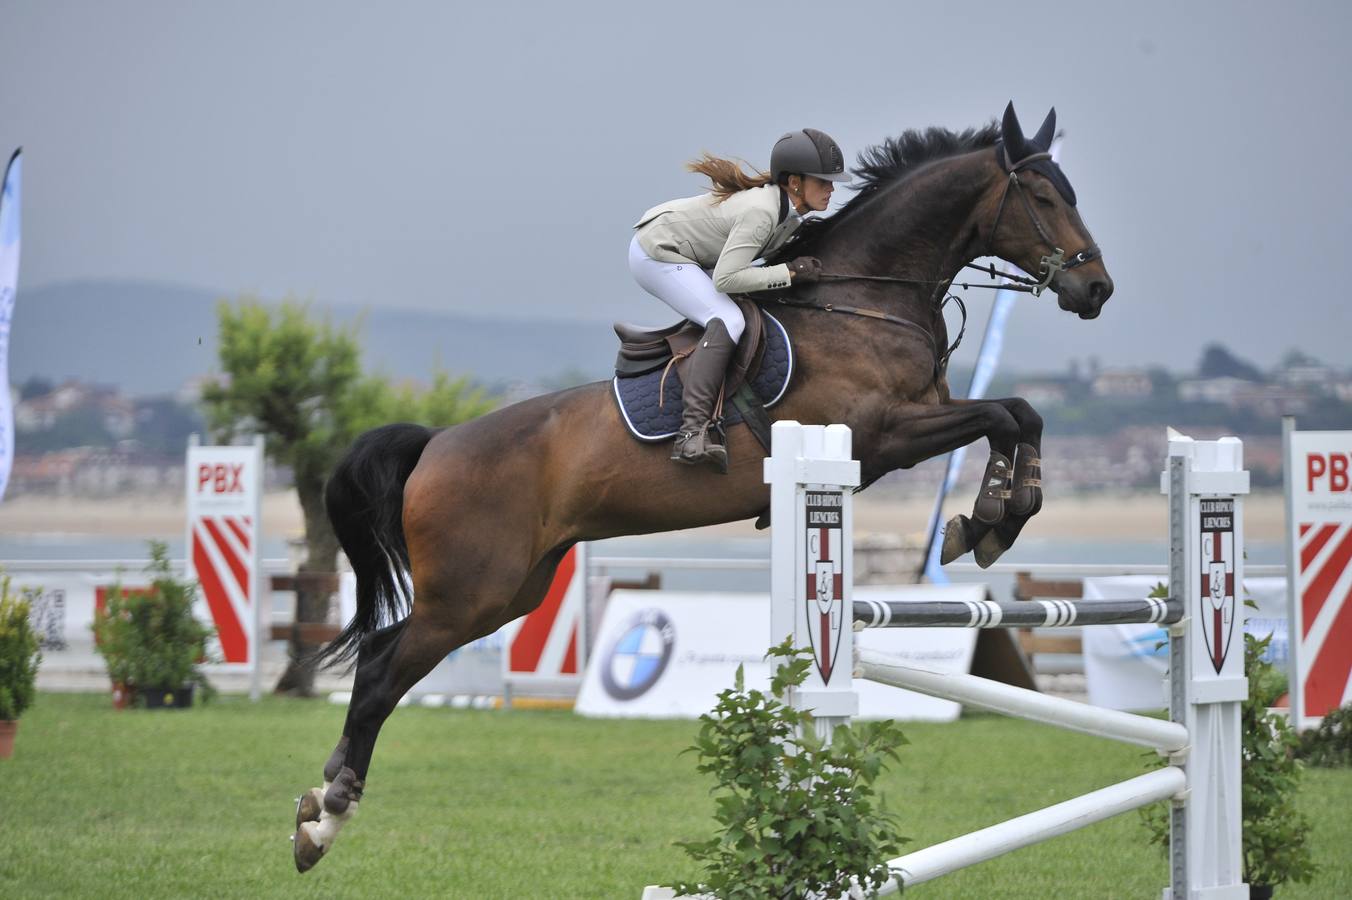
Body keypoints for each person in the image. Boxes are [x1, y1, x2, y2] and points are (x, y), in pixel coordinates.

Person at [630, 128, 848, 471]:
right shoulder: (762, 211)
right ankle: (692, 433)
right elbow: (727, 278)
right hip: (657, 254)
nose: (832, 188)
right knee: (728, 320)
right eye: (823, 181)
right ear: (794, 182)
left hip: (690, 253)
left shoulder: (789, 213)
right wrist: (789, 273)